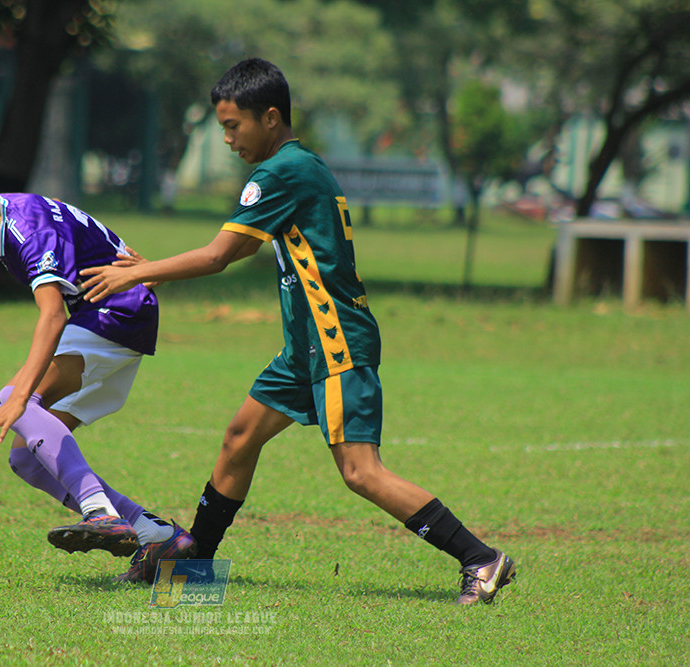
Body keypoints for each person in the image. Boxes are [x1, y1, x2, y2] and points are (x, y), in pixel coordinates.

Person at [80, 58, 516, 604]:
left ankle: (480, 557)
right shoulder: (296, 166)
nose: (227, 139)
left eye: (233, 126)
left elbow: (217, 256)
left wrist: (138, 272)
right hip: (305, 347)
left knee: (360, 471)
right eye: (221, 128)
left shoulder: (282, 171)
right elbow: (235, 250)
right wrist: (154, 271)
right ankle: (195, 567)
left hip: (336, 340)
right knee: (240, 438)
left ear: (270, 117)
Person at [0, 135, 196, 571]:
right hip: (113, 316)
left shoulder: (24, 225)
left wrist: (19, 396)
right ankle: (157, 534)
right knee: (27, 458)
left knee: (13, 400)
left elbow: (52, 314)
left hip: (114, 314)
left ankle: (101, 514)